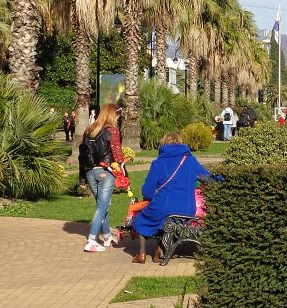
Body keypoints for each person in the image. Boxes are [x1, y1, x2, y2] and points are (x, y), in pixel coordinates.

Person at [131, 132, 216, 263]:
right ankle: (160, 249)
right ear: (181, 143)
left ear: (164, 144)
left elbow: (147, 191)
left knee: (141, 219)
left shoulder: (158, 163)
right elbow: (209, 179)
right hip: (187, 209)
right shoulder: (191, 161)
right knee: (168, 221)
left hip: (162, 206)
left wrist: (149, 197)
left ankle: (141, 254)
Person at [80, 103, 125, 253]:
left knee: (102, 206)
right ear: (113, 115)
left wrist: (82, 178)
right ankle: (91, 241)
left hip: (90, 172)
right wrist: (124, 174)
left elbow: (82, 155)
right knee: (102, 207)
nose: (118, 118)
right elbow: (118, 156)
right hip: (106, 171)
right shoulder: (112, 131)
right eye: (117, 115)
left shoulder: (88, 130)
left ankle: (107, 237)